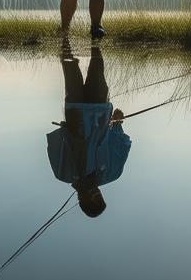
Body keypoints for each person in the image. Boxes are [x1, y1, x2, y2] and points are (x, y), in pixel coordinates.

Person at [46, 45, 131, 217]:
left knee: (70, 69)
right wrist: (117, 122)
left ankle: (64, 37)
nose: (96, 194)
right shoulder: (112, 173)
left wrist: (65, 130)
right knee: (97, 69)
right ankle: (95, 38)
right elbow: (121, 145)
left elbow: (54, 146)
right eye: (99, 197)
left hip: (75, 114)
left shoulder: (63, 174)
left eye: (92, 199)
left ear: (81, 200)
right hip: (100, 111)